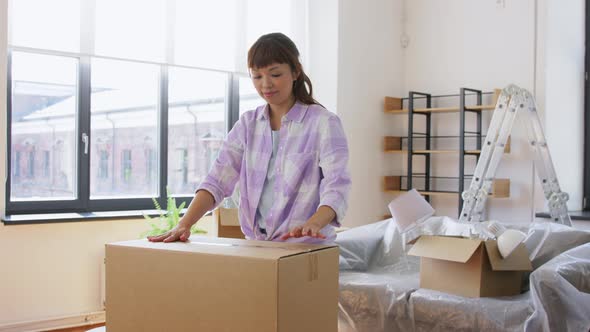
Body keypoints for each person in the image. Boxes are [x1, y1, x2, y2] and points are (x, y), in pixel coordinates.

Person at [148, 32, 350, 244]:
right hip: (257, 246)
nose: (266, 84)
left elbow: (337, 184)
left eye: (275, 74)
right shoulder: (247, 125)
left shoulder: (324, 123)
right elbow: (217, 179)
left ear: (295, 71)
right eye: (257, 76)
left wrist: (316, 222)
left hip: (307, 247)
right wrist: (184, 224)